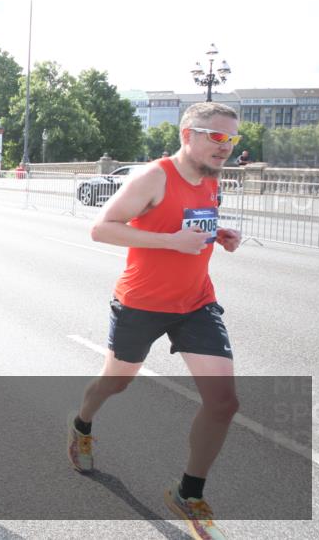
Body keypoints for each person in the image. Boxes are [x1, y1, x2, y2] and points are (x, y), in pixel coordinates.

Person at [68, 102, 243, 540]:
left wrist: (217, 234)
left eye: (232, 139)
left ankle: (188, 492)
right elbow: (101, 228)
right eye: (216, 137)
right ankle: (82, 424)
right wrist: (171, 241)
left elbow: (191, 225)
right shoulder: (154, 176)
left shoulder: (211, 179)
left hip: (196, 303)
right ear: (188, 135)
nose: (225, 147)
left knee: (224, 403)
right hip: (141, 304)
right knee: (117, 382)